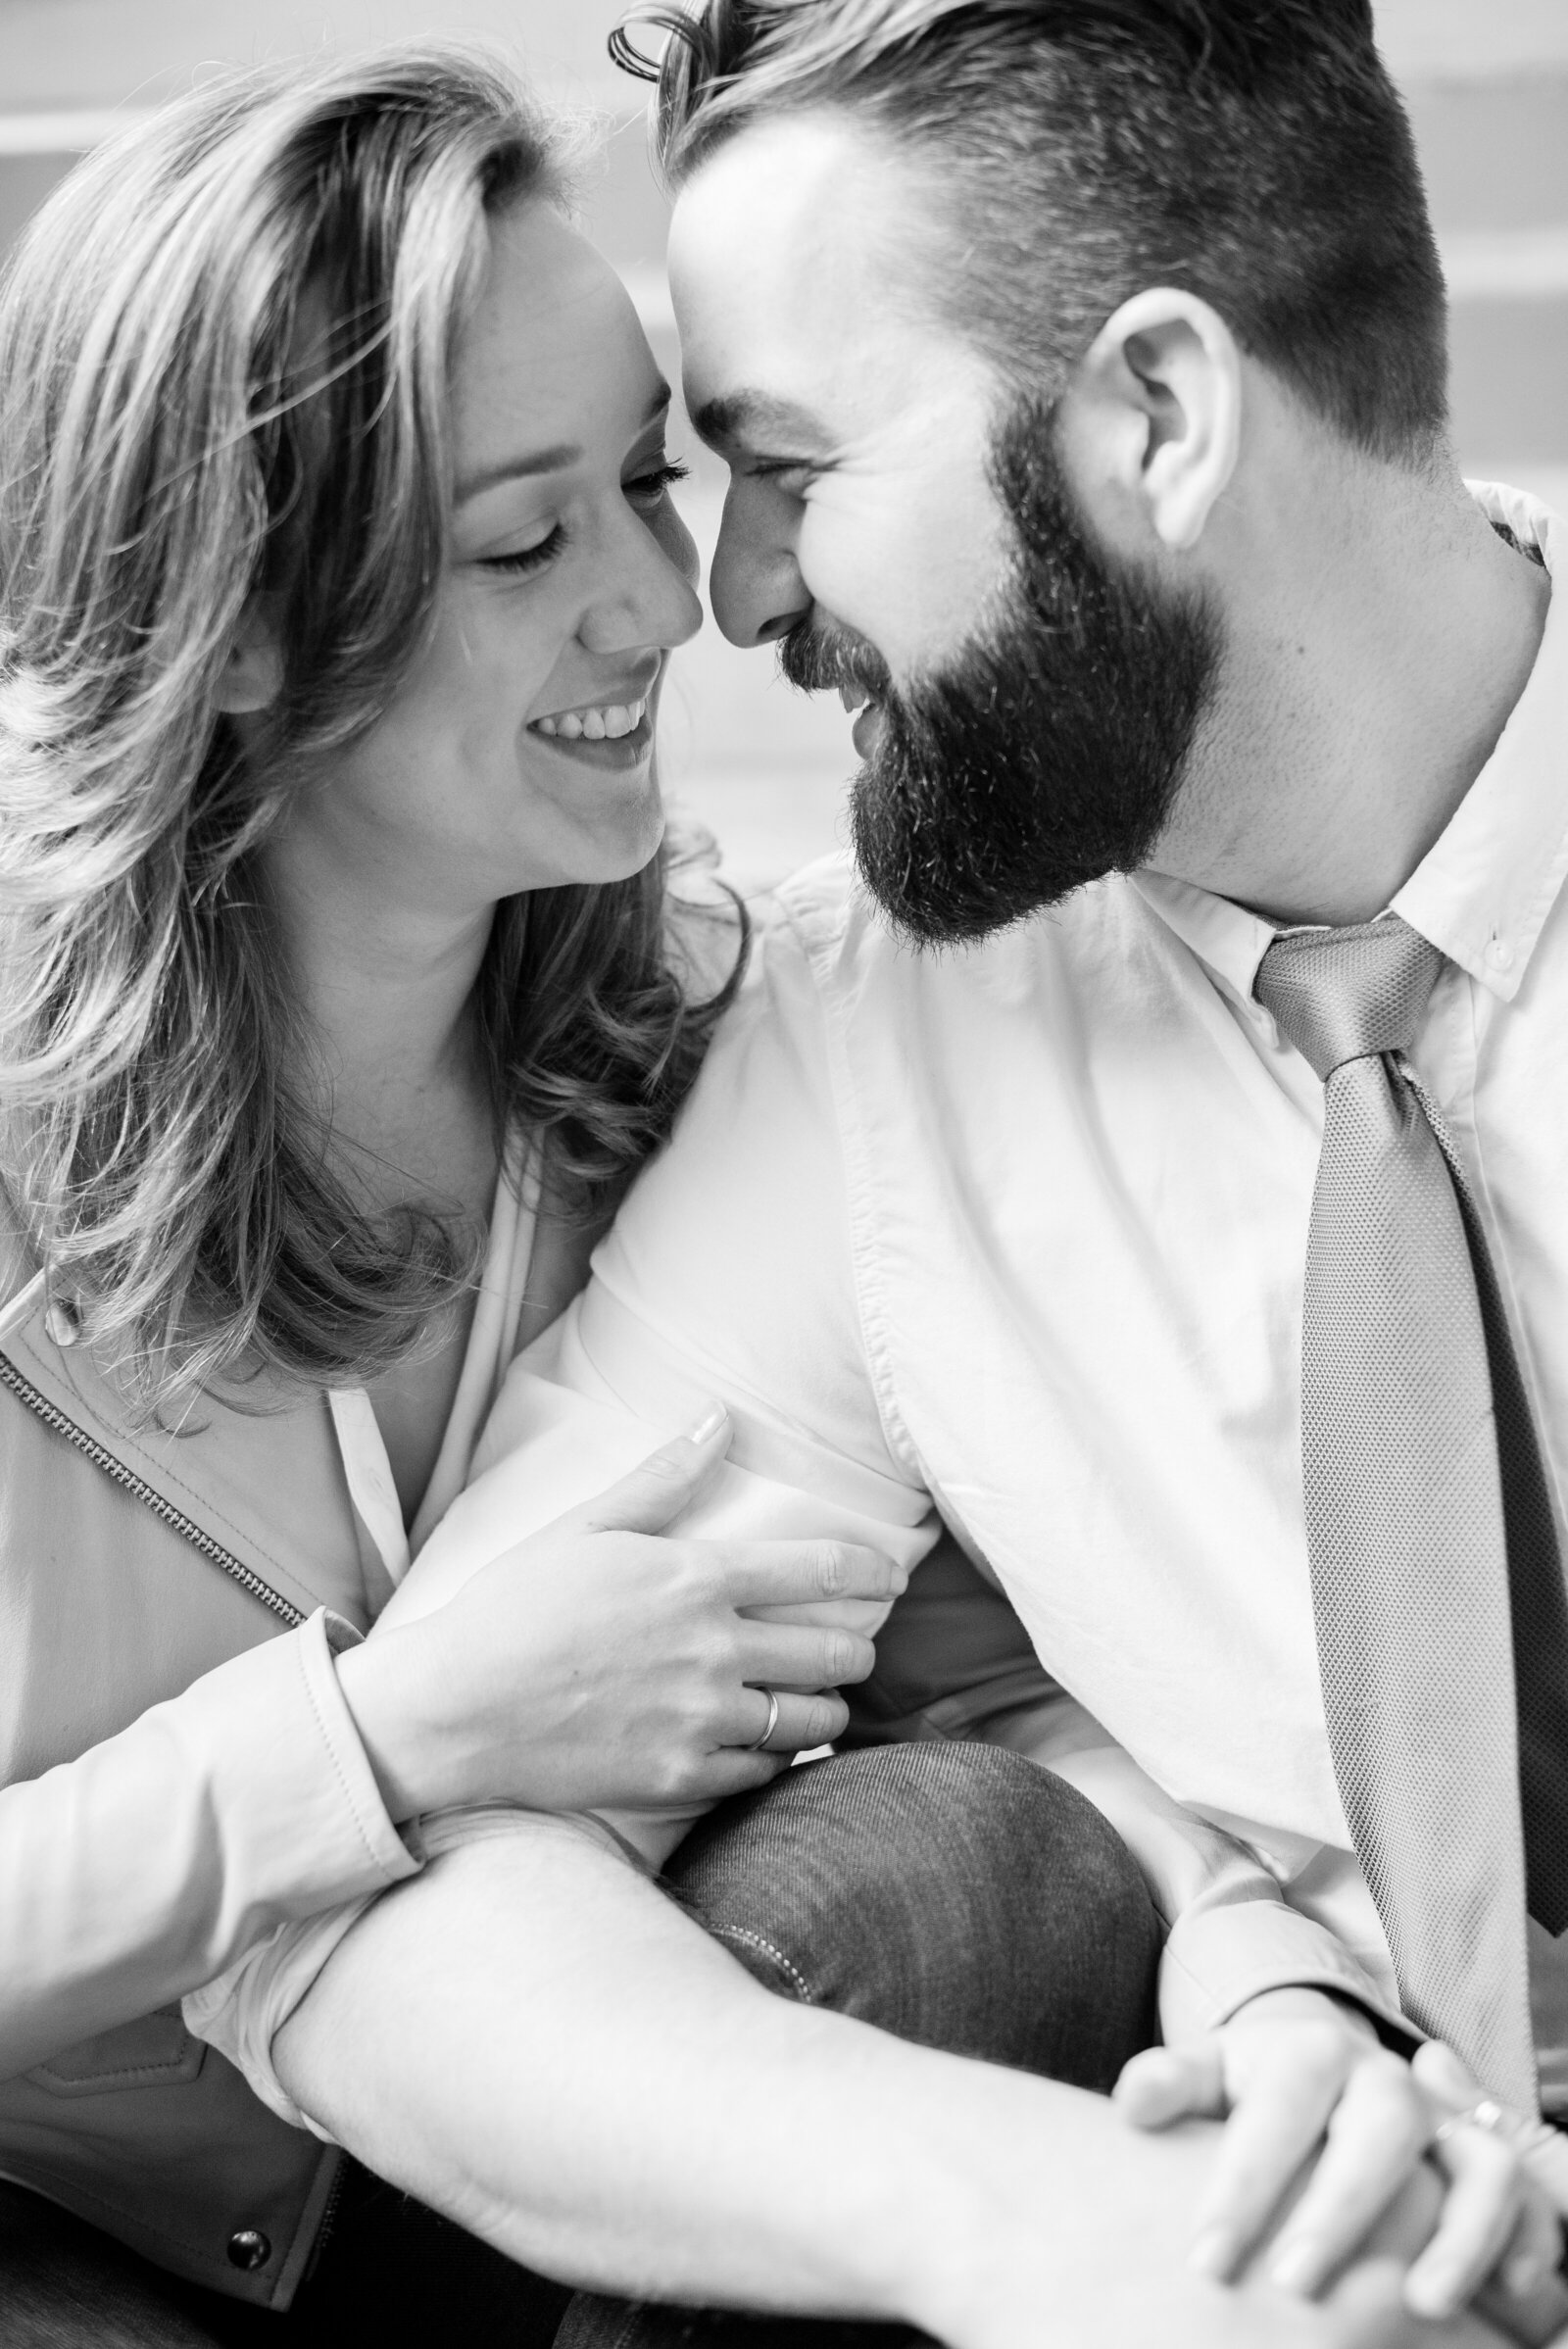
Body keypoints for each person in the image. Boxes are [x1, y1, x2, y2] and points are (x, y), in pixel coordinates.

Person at [188, 6, 1568, 2347]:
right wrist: (1035, 2222)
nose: (724, 599)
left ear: (1153, 415)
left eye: (781, 463)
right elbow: (385, 1920)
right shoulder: (878, 1040)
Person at [0, 46, 1073, 2346]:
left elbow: (994, 1671)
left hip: (513, 2171)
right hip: (72, 2214)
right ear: (237, 623)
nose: (662, 605)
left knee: (950, 1874)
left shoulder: (720, 1021)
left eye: (649, 478)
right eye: (522, 538)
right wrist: (380, 1736)